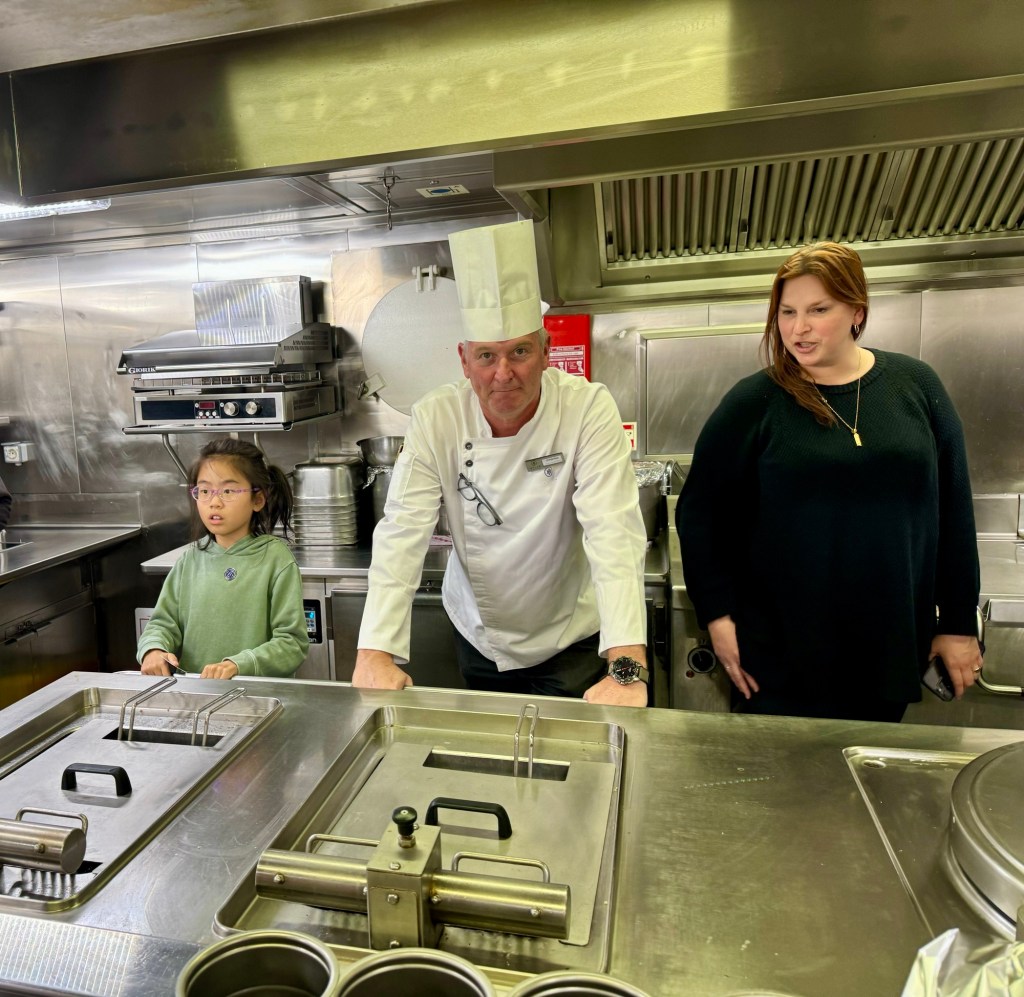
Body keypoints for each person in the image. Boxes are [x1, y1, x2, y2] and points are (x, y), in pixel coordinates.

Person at [676, 241, 983, 722]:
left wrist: (959, 623)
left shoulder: (917, 385)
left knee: (869, 767)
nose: (798, 328)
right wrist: (716, 615)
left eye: (818, 310)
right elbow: (700, 515)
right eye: (787, 312)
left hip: (888, 649)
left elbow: (955, 511)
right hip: (779, 657)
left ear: (857, 311)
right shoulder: (754, 402)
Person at [354, 219, 649, 706]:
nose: (504, 373)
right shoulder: (437, 417)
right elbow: (402, 530)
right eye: (487, 356)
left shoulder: (586, 408)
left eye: (520, 351)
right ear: (464, 359)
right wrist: (374, 652)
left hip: (570, 633)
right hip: (479, 634)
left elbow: (613, 532)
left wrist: (626, 667)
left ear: (547, 351)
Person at [138, 438, 308, 678]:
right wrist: (153, 649)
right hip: (198, 694)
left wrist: (238, 665)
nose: (214, 502)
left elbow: (292, 644)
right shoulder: (189, 561)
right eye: (205, 491)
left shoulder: (276, 560)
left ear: (257, 499)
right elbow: (163, 623)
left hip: (256, 695)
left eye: (228, 491)